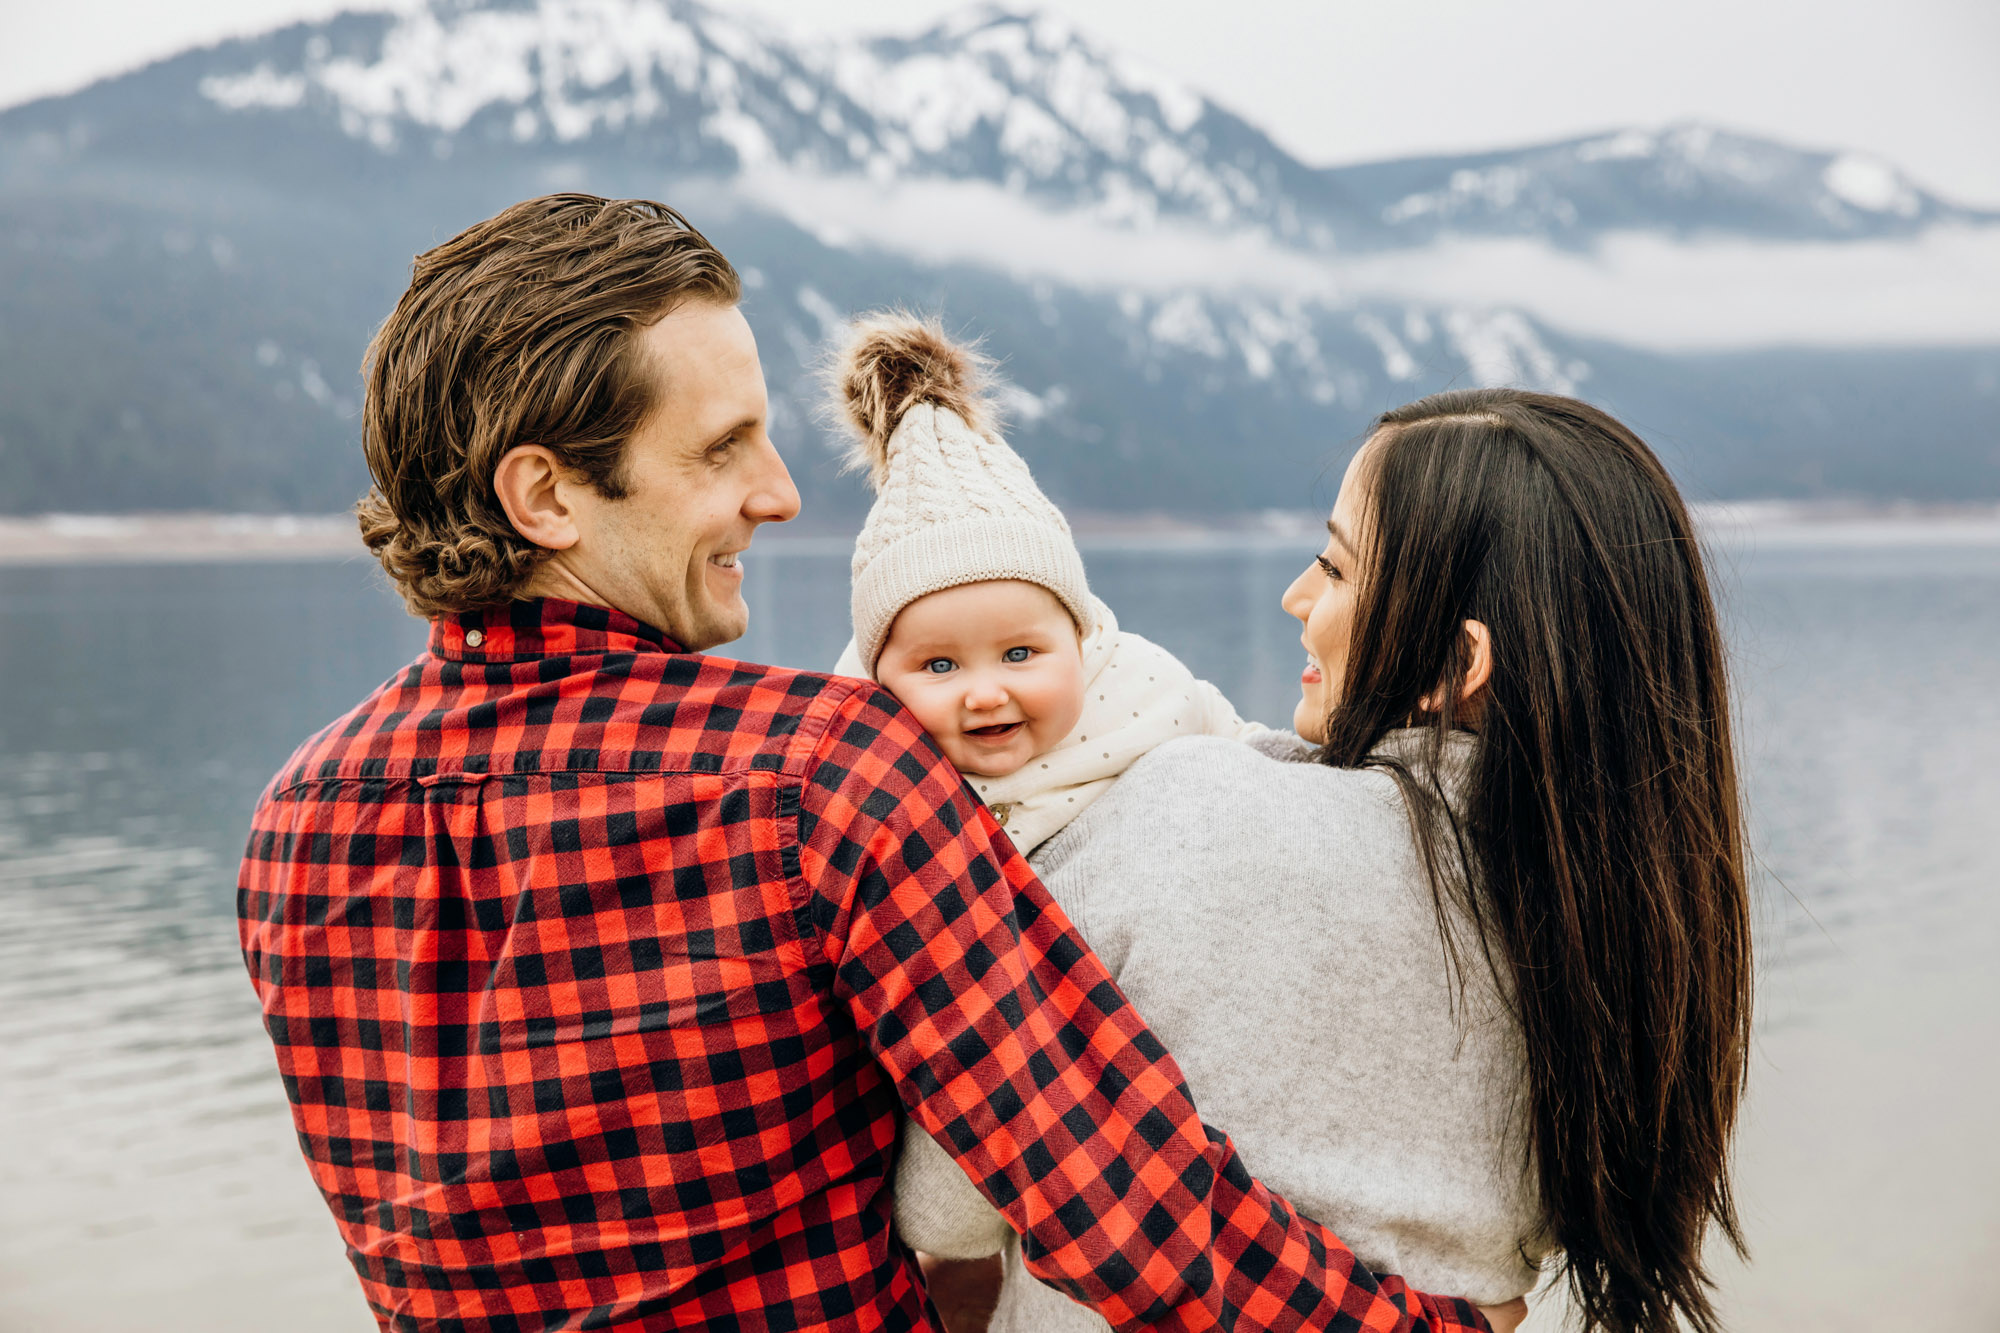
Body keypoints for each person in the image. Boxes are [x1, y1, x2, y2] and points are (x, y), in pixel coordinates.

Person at [235, 193, 1505, 1333]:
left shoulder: (294, 826)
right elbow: (1121, 1203)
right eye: (721, 448)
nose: (779, 493)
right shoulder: (823, 774)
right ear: (547, 497)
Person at [895, 389, 1754, 1333]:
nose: (1295, 595)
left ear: (1452, 663)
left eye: (1336, 567)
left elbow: (942, 1206)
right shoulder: (1628, 935)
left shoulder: (1184, 812)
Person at [826, 311, 1266, 855]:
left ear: (1078, 639)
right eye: (940, 666)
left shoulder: (1146, 689)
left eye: (1019, 654)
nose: (986, 696)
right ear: (880, 675)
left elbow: (1261, 757)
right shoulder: (857, 753)